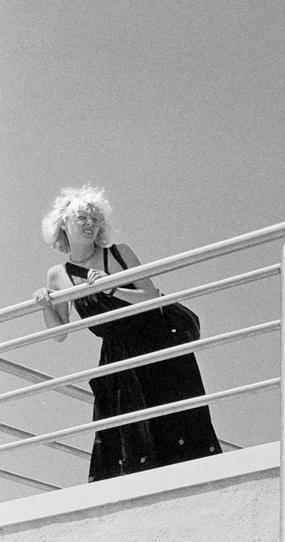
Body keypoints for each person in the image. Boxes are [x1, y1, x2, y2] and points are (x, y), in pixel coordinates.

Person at [33, 186, 222, 481]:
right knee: (124, 432)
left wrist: (112, 287)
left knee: (177, 421)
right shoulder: (57, 275)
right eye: (82, 217)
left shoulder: (119, 253)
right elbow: (60, 333)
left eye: (95, 219)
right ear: (64, 224)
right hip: (116, 354)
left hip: (155, 341)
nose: (90, 224)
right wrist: (46, 303)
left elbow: (150, 296)